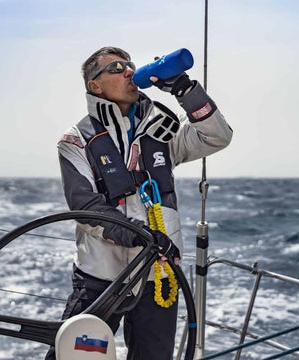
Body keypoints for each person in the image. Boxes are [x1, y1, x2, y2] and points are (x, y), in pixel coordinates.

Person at [45, 46, 232, 360]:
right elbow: (86, 208)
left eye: (129, 65)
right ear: (95, 85)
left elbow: (217, 137)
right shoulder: (75, 140)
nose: (129, 71)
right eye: (116, 68)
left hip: (157, 275)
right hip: (100, 278)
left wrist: (185, 90)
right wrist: (141, 236)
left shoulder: (162, 130)